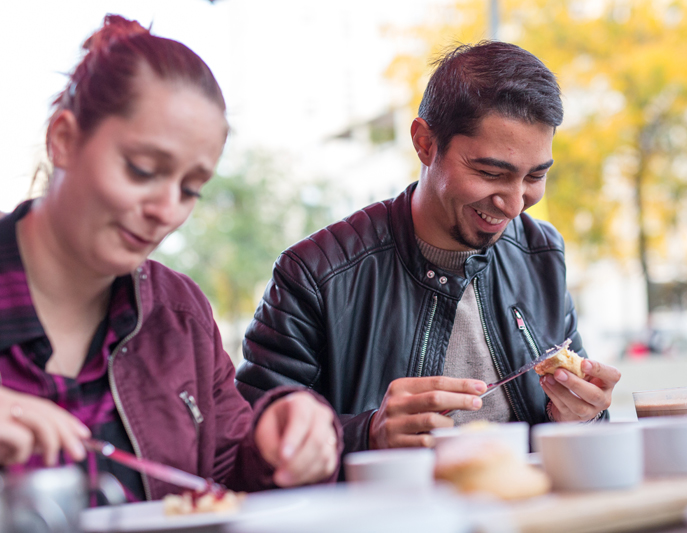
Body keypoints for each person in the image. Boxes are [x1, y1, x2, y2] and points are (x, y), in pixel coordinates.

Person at [0, 15, 340, 502]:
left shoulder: (179, 314)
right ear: (64, 140)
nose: (165, 211)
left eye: (190, 189)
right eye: (142, 170)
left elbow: (227, 478)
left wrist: (281, 441)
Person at [236, 41, 621, 454]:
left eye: (534, 177)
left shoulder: (540, 252)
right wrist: (365, 434)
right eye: (491, 172)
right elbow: (243, 446)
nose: (513, 205)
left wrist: (586, 415)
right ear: (425, 143)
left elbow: (578, 427)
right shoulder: (317, 273)